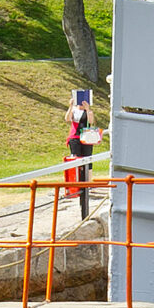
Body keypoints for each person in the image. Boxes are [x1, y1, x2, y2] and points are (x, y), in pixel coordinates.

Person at [65, 90, 97, 219]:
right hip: (75, 138)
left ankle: (88, 183)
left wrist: (88, 109)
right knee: (75, 161)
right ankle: (76, 183)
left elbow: (91, 122)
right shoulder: (74, 111)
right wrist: (70, 106)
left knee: (88, 160)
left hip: (87, 137)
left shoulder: (88, 111)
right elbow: (67, 119)